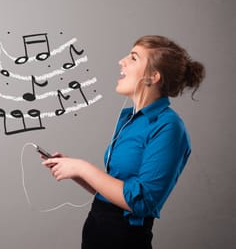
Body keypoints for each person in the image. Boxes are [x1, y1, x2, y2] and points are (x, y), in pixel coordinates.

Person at [42, 35, 205, 249]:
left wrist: (83, 167)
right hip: (96, 234)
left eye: (134, 58)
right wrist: (75, 171)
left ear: (153, 76)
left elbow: (142, 202)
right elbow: (116, 193)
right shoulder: (128, 119)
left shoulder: (169, 127)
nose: (122, 61)